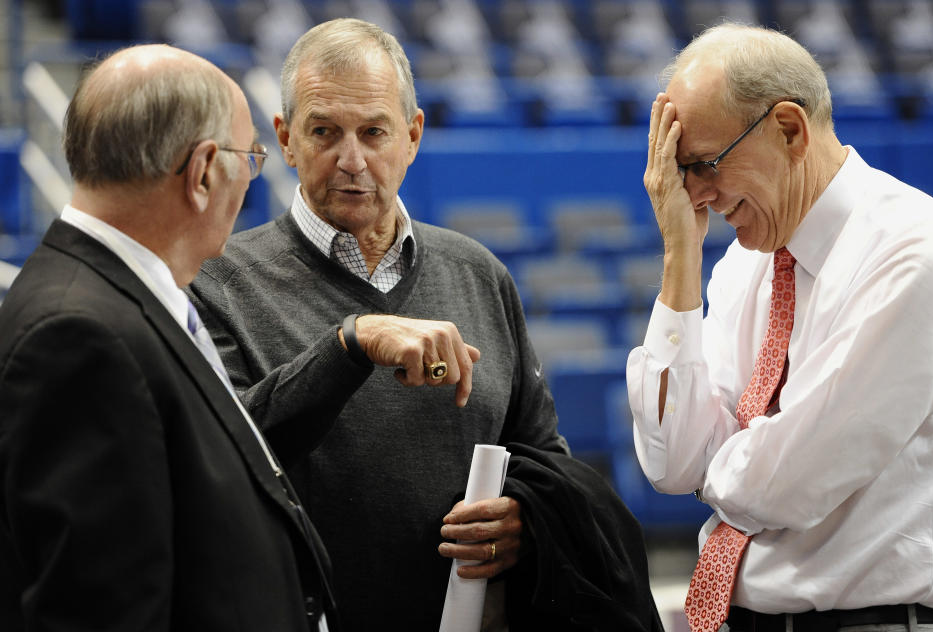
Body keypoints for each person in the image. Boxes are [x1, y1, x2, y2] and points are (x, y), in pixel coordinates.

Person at [190, 17, 663, 632]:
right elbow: (221, 459)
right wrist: (351, 343)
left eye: (374, 131)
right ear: (285, 139)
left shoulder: (479, 273)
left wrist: (524, 518)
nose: (351, 159)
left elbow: (544, 454)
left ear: (412, 136)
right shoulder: (217, 283)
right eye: (324, 132)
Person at [0, 43, 478, 632]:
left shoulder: (121, 302)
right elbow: (99, 605)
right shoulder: (79, 333)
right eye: (250, 159)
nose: (250, 181)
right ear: (203, 173)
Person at [629, 23, 933, 632]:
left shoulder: (923, 252)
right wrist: (681, 256)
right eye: (680, 172)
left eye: (704, 165)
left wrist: (718, 459)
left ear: (789, 129)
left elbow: (787, 485)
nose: (694, 195)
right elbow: (672, 463)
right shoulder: (744, 264)